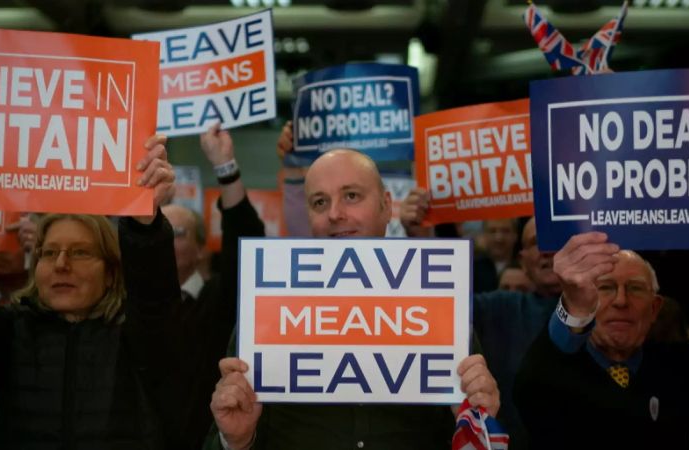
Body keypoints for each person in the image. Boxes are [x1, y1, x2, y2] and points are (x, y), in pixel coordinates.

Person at [0, 135, 189, 450]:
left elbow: (156, 298)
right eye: (48, 253)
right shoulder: (10, 333)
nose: (61, 264)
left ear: (111, 270)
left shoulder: (139, 337)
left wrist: (144, 224)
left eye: (80, 252)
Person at [208, 149, 500, 450]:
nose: (335, 213)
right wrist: (236, 441)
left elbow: (476, 438)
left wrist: (478, 426)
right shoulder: (264, 315)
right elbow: (223, 437)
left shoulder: (443, 310)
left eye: (351, 196)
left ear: (387, 206)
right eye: (320, 202)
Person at [514, 229, 689, 450]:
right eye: (606, 287)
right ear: (586, 300)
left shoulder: (675, 366)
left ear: (655, 308)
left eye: (635, 288)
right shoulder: (553, 372)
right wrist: (573, 311)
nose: (621, 301)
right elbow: (531, 387)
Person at [400, 188, 557, 450]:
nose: (547, 251)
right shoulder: (500, 307)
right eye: (535, 243)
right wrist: (421, 238)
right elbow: (441, 301)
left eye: (556, 240)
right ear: (522, 260)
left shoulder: (611, 309)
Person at [160, 124, 265, 450]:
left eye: (178, 233)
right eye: (160, 230)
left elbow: (244, 242)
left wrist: (225, 168)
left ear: (203, 248)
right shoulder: (132, 305)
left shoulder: (220, 299)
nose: (165, 240)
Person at [473, 219, 520, 293]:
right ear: (484, 236)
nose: (499, 238)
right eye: (492, 231)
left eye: (505, 231)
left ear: (515, 235)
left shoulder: (525, 267)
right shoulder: (471, 269)